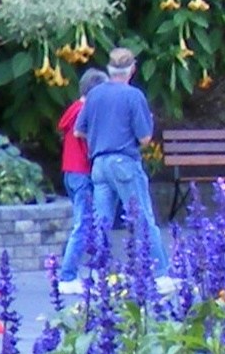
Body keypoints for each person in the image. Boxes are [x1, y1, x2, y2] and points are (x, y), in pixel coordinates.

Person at [62, 47, 173, 293]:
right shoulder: (133, 96)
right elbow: (144, 138)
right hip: (124, 163)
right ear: (132, 69)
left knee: (101, 221)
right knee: (143, 217)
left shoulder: (95, 95)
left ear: (110, 69)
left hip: (98, 165)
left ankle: (96, 274)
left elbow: (79, 131)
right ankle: (161, 273)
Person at [53, 66, 105, 285]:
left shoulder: (73, 109)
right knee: (82, 225)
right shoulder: (85, 113)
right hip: (83, 173)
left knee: (83, 223)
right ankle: (67, 275)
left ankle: (82, 270)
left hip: (70, 172)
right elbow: (87, 145)